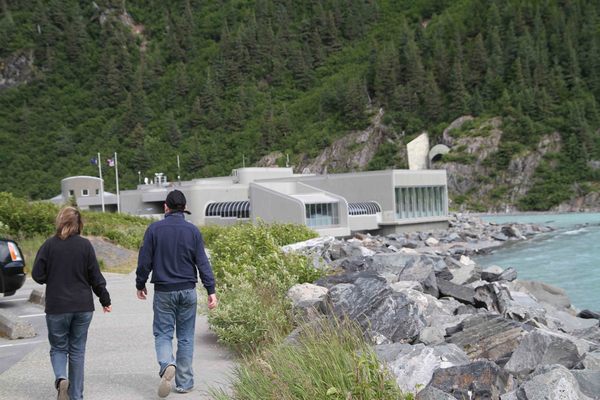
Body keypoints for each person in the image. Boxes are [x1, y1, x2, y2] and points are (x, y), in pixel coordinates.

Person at [136, 189, 217, 398]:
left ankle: (167, 364)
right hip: (188, 290)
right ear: (184, 208)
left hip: (164, 291)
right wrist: (211, 290)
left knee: (163, 333)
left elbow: (144, 260)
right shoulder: (193, 231)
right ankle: (184, 383)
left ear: (166, 206)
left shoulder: (154, 229)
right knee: (186, 338)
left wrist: (140, 283)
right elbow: (203, 263)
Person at [32, 206, 112, 400]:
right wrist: (105, 299)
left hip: (57, 306)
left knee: (59, 348)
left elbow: (37, 274)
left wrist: (52, 276)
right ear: (79, 224)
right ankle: (76, 395)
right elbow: (95, 276)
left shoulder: (49, 245)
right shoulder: (85, 246)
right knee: (77, 351)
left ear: (59, 222)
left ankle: (61, 378)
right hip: (82, 307)